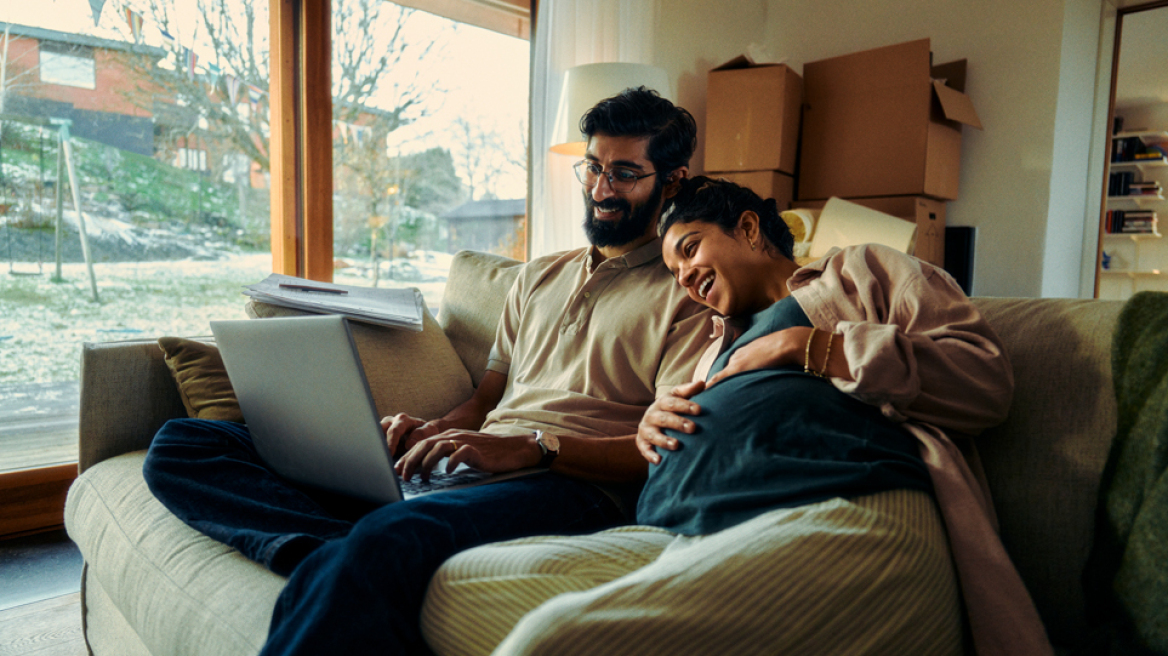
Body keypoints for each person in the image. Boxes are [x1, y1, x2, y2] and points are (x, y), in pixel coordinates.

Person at [141, 87, 713, 656]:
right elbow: (485, 400)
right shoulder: (538, 277)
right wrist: (434, 428)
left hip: (570, 488)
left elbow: (661, 449)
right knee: (185, 443)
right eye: (591, 168)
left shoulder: (692, 292)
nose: (600, 189)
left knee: (390, 537)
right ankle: (336, 554)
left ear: (674, 180)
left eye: (624, 173)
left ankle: (359, 555)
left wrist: (536, 448)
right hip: (475, 467)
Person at [422, 177, 1053, 656]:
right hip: (688, 531)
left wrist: (812, 346)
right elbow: (669, 442)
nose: (685, 277)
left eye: (691, 249)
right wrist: (650, 432)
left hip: (842, 505)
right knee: (455, 584)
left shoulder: (864, 271)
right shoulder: (707, 344)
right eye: (673, 271)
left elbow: (985, 383)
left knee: (552, 637)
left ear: (749, 229)